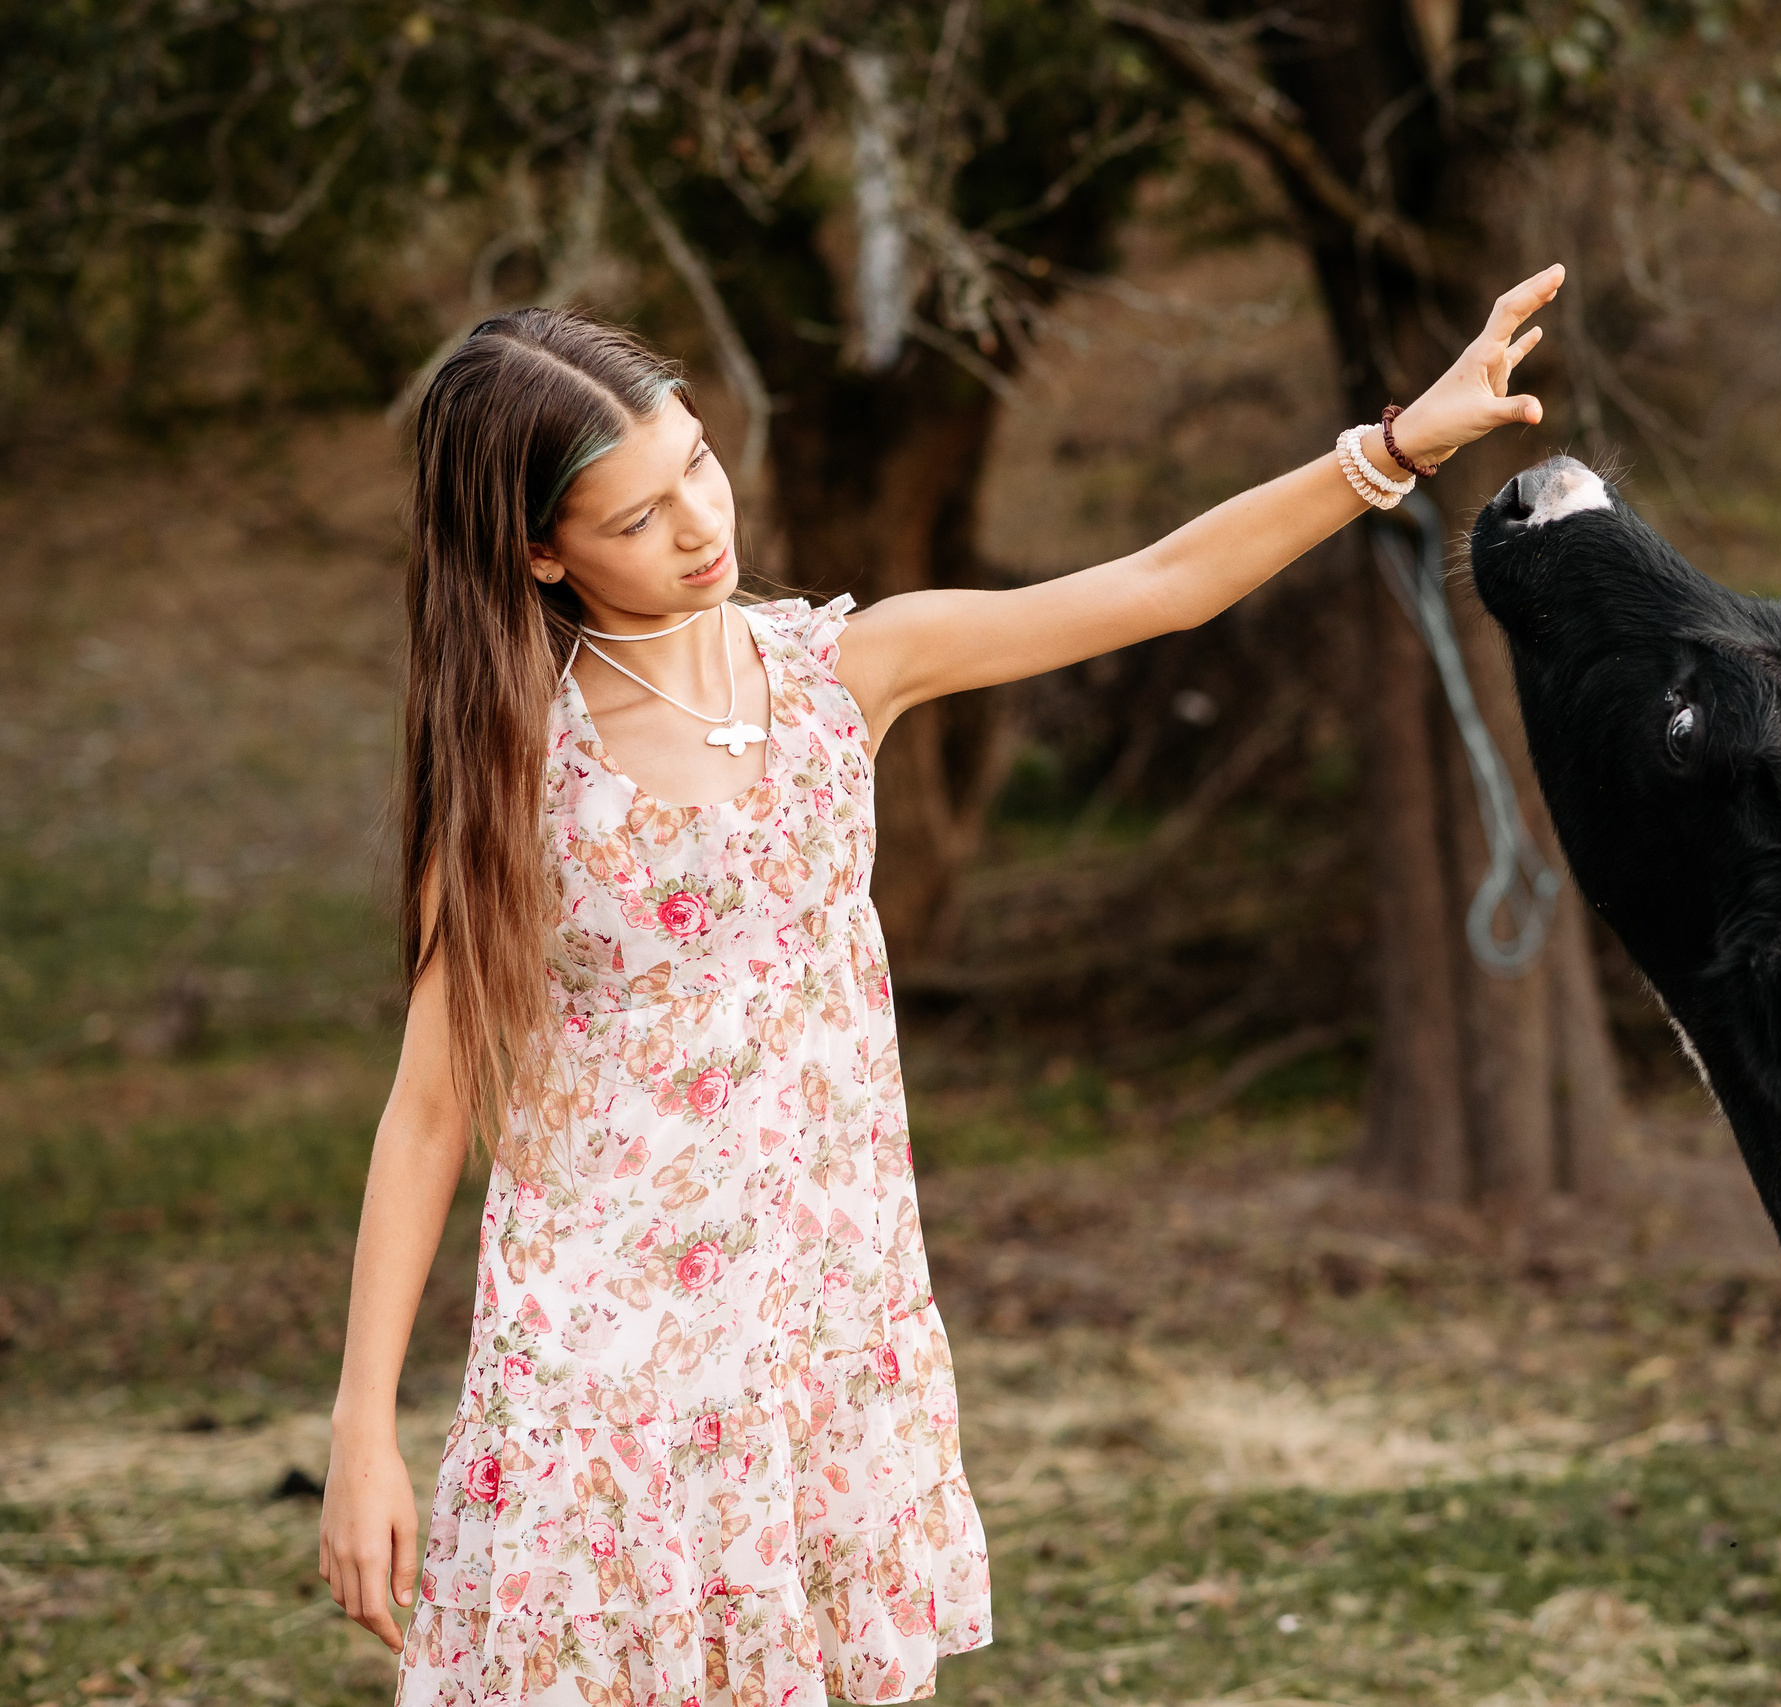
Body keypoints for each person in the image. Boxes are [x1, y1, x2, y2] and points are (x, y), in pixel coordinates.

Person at [315, 266, 1563, 1706]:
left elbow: (1157, 588)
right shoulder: (516, 767)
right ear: (540, 555)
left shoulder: (850, 666)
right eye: (639, 518)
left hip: (829, 1334)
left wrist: (1400, 447)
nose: (701, 523)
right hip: (609, 1372)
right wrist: (363, 1425)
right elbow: (426, 1115)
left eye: (699, 465)